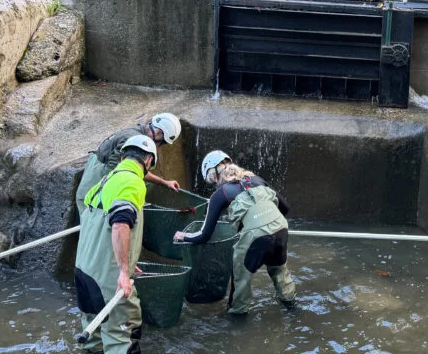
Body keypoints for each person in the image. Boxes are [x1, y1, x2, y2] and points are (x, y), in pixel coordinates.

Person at [174, 150, 296, 315]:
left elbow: (204, 235)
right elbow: (285, 207)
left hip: (255, 237)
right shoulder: (256, 179)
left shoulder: (220, 193)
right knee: (279, 271)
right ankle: (292, 310)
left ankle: (237, 319)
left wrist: (184, 236)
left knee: (240, 281)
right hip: (280, 228)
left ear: (213, 176)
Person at [75, 135, 157, 354]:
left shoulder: (104, 181)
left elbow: (99, 226)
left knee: (93, 337)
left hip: (84, 272)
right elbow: (120, 224)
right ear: (148, 161)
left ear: (122, 157)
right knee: (122, 336)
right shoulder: (133, 182)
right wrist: (123, 270)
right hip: (108, 280)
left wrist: (129, 258)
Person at [76, 113, 182, 215]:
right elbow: (120, 171)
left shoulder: (139, 132)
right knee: (94, 220)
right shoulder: (132, 141)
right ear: (158, 132)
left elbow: (133, 168)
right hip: (94, 186)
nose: (159, 146)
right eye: (162, 143)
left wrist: (164, 183)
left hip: (102, 174)